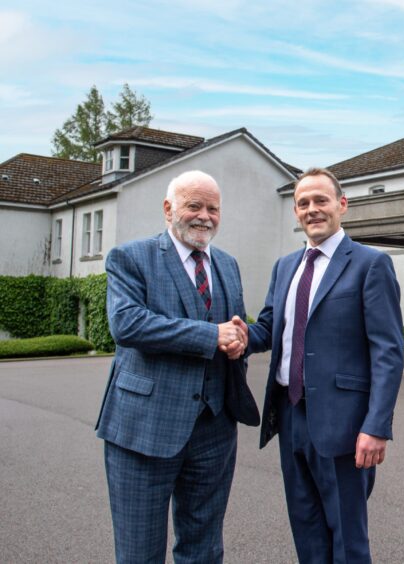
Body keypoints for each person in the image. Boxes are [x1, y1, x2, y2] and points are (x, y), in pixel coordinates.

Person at [95, 170, 253, 563]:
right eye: (194, 206)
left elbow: (233, 326)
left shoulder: (228, 265)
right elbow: (127, 323)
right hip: (144, 428)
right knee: (139, 551)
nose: (204, 216)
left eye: (213, 208)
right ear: (169, 209)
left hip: (214, 430)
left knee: (203, 547)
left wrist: (239, 341)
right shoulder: (131, 257)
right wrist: (210, 336)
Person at [248, 167, 404, 563]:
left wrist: (376, 426)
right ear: (296, 212)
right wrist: (238, 336)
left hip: (345, 425)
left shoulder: (371, 264)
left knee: (347, 538)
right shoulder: (286, 267)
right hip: (289, 414)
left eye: (321, 200)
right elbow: (269, 327)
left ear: (342, 205)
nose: (312, 209)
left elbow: (388, 351)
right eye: (303, 203)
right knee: (307, 530)